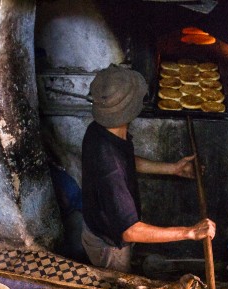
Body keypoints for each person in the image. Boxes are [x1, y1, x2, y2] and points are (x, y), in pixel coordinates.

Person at [81, 65, 216, 273]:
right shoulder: (109, 167)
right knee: (116, 286)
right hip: (109, 247)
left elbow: (127, 161)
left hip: (104, 226)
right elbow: (130, 231)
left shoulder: (100, 130)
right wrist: (189, 232)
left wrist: (173, 169)